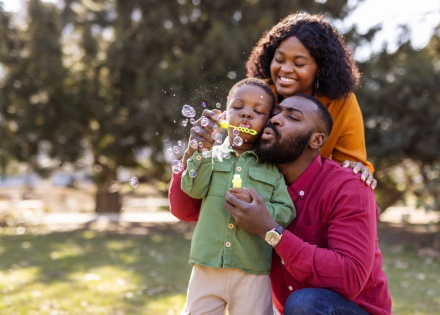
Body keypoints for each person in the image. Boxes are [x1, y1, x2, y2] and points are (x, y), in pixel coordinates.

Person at [223, 94, 392, 315]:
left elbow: (349, 278)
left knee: (305, 302)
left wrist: (269, 230)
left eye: (292, 117)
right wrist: (193, 153)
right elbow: (186, 211)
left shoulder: (349, 187)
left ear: (316, 140)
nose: (275, 119)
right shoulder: (258, 182)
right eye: (275, 113)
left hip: (353, 309)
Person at [179, 78, 296, 315]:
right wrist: (200, 153)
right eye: (238, 107)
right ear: (224, 114)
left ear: (267, 121)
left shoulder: (272, 168)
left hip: (252, 268)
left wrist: (260, 210)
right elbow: (192, 189)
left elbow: (286, 211)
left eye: (258, 111)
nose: (246, 115)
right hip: (207, 265)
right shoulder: (211, 156)